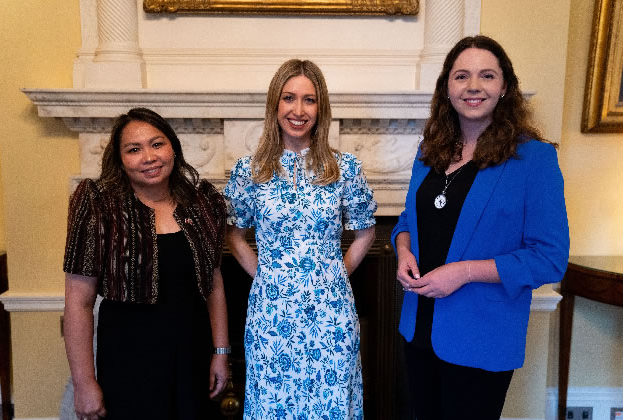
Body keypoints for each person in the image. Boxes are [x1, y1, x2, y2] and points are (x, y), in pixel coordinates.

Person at [392, 35, 569, 420]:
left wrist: (465, 272)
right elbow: (408, 221)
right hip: (418, 329)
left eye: (486, 75)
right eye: (461, 76)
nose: (473, 86)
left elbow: (550, 258)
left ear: (505, 86)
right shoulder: (430, 151)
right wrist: (403, 250)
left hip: (482, 337)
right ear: (447, 87)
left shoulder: (534, 159)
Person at [224, 59, 377, 419]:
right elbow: (234, 235)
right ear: (275, 104)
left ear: (320, 107)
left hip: (331, 313)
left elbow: (366, 232)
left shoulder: (344, 168)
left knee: (331, 403)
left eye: (309, 100)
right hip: (271, 313)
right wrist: (267, 275)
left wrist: (333, 273)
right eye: (289, 98)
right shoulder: (250, 170)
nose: (298, 110)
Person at [63, 107, 230, 420]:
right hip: (129, 356)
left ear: (173, 147)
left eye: (157, 144)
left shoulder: (202, 200)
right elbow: (78, 301)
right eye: (134, 149)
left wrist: (221, 353)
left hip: (192, 350)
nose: (149, 157)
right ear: (120, 158)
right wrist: (84, 383)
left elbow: (215, 280)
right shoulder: (100, 204)